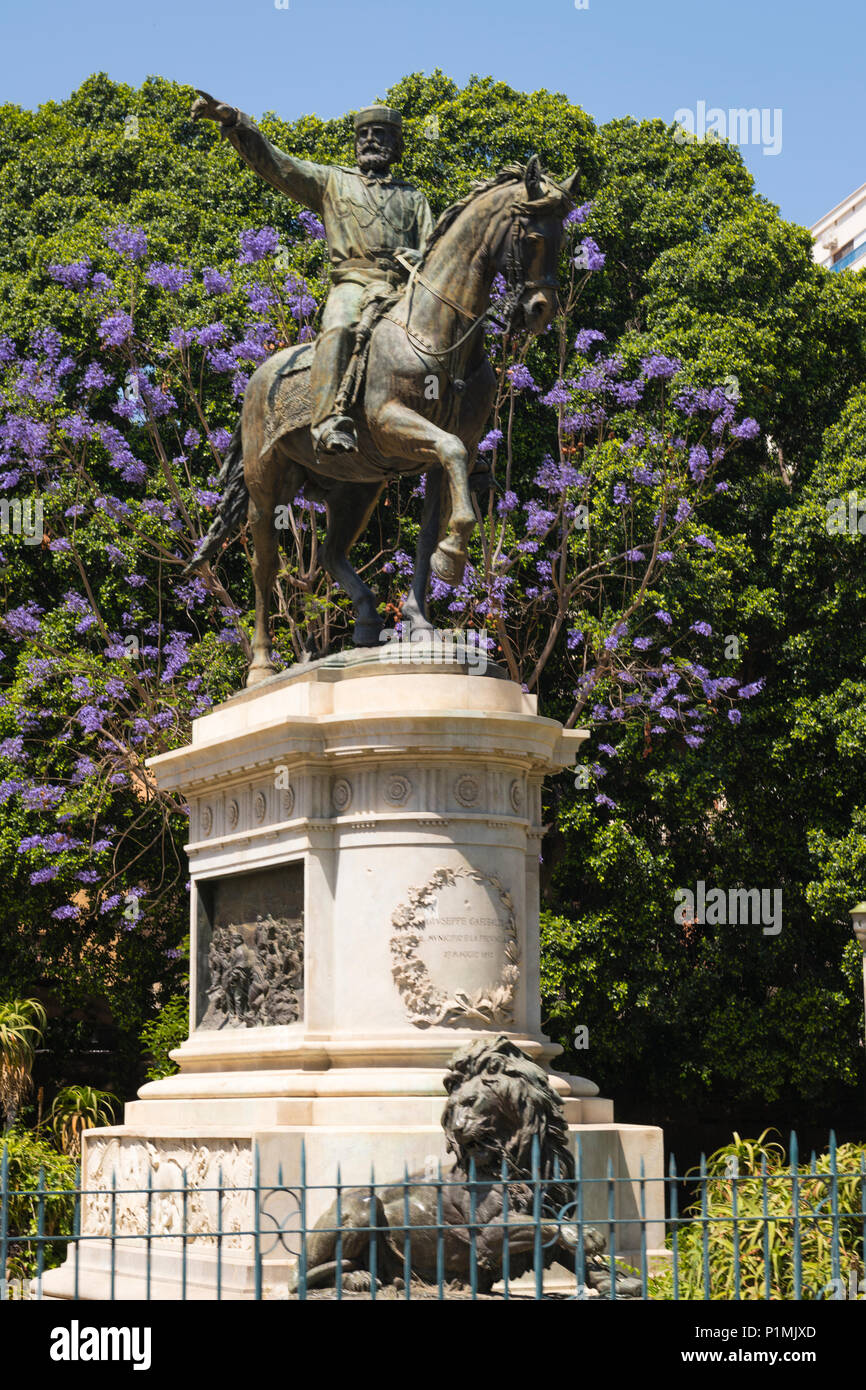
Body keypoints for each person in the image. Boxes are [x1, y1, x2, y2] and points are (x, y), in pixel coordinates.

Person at [191, 92, 434, 456]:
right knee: (339, 329)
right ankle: (328, 422)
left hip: (403, 289)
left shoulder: (414, 198)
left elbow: (434, 250)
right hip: (355, 283)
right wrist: (234, 121)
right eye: (364, 134)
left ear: (396, 146)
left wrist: (418, 255)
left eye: (381, 135)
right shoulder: (332, 182)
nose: (370, 141)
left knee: (447, 338)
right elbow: (277, 163)